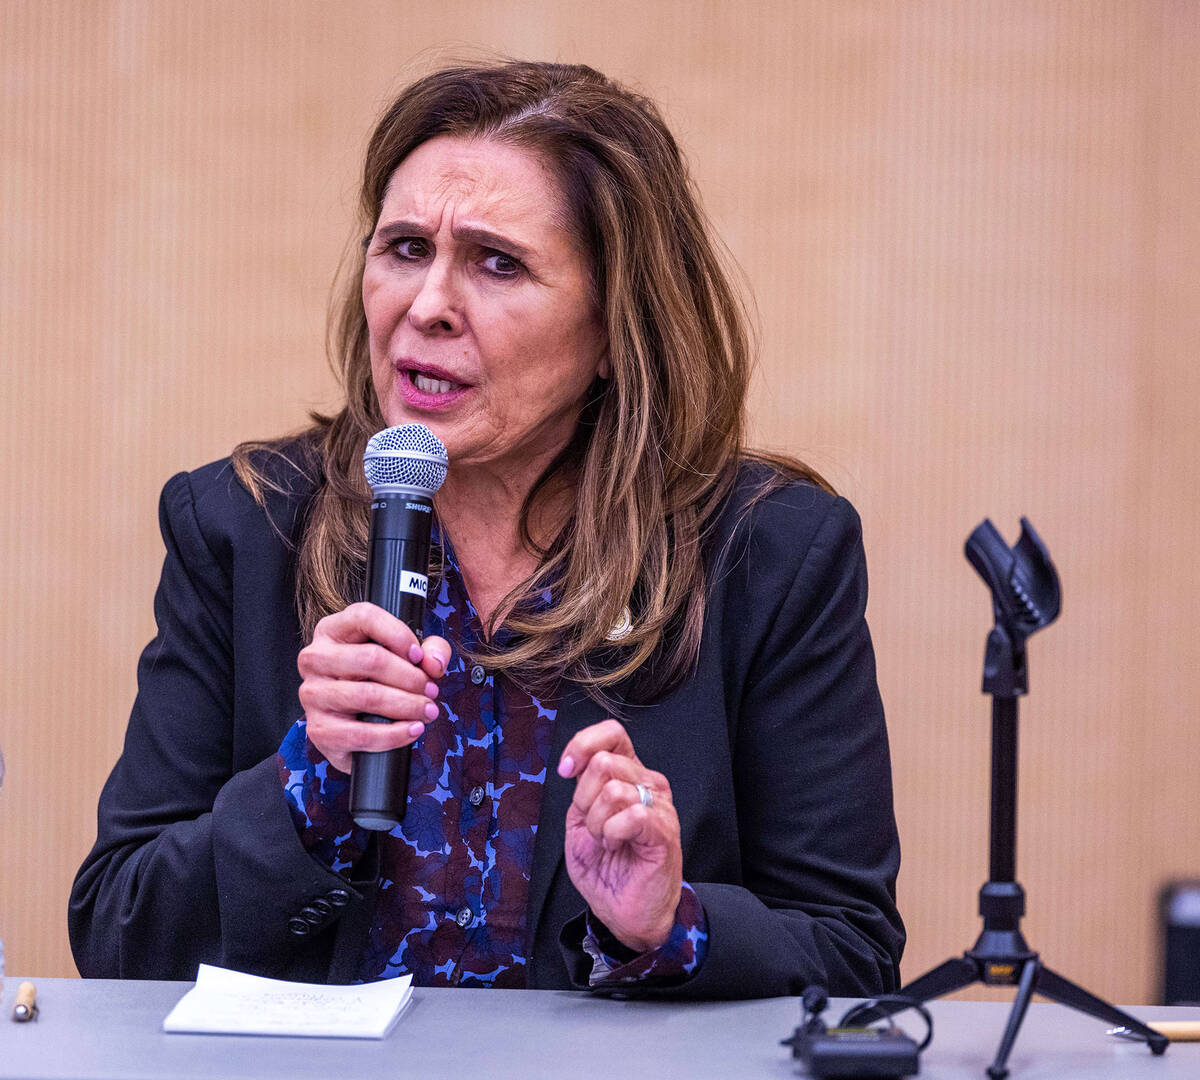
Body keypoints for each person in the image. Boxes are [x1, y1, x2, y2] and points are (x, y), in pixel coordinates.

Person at [70, 60, 903, 998]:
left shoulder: (765, 555)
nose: (426, 306)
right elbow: (117, 936)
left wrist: (668, 927)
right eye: (405, 249)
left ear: (614, 326)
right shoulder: (246, 526)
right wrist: (309, 784)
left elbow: (853, 954)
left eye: (497, 262)